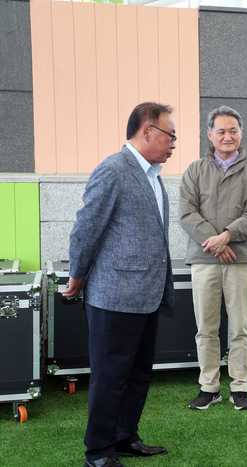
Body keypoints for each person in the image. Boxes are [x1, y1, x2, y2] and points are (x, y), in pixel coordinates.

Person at [63, 102, 176, 467]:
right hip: (113, 296)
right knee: (110, 377)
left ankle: (125, 438)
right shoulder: (113, 170)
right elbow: (86, 230)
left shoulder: (153, 176)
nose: (173, 143)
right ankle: (98, 452)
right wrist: (77, 277)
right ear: (147, 131)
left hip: (146, 295)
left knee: (138, 374)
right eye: (169, 135)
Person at [179, 106, 247, 412]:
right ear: (210, 134)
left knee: (240, 326)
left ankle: (240, 386)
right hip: (205, 260)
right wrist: (216, 244)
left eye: (233, 130)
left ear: (241, 133)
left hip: (241, 259)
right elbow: (187, 213)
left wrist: (227, 236)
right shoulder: (194, 170)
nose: (227, 136)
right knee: (206, 327)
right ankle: (209, 387)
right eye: (221, 131)